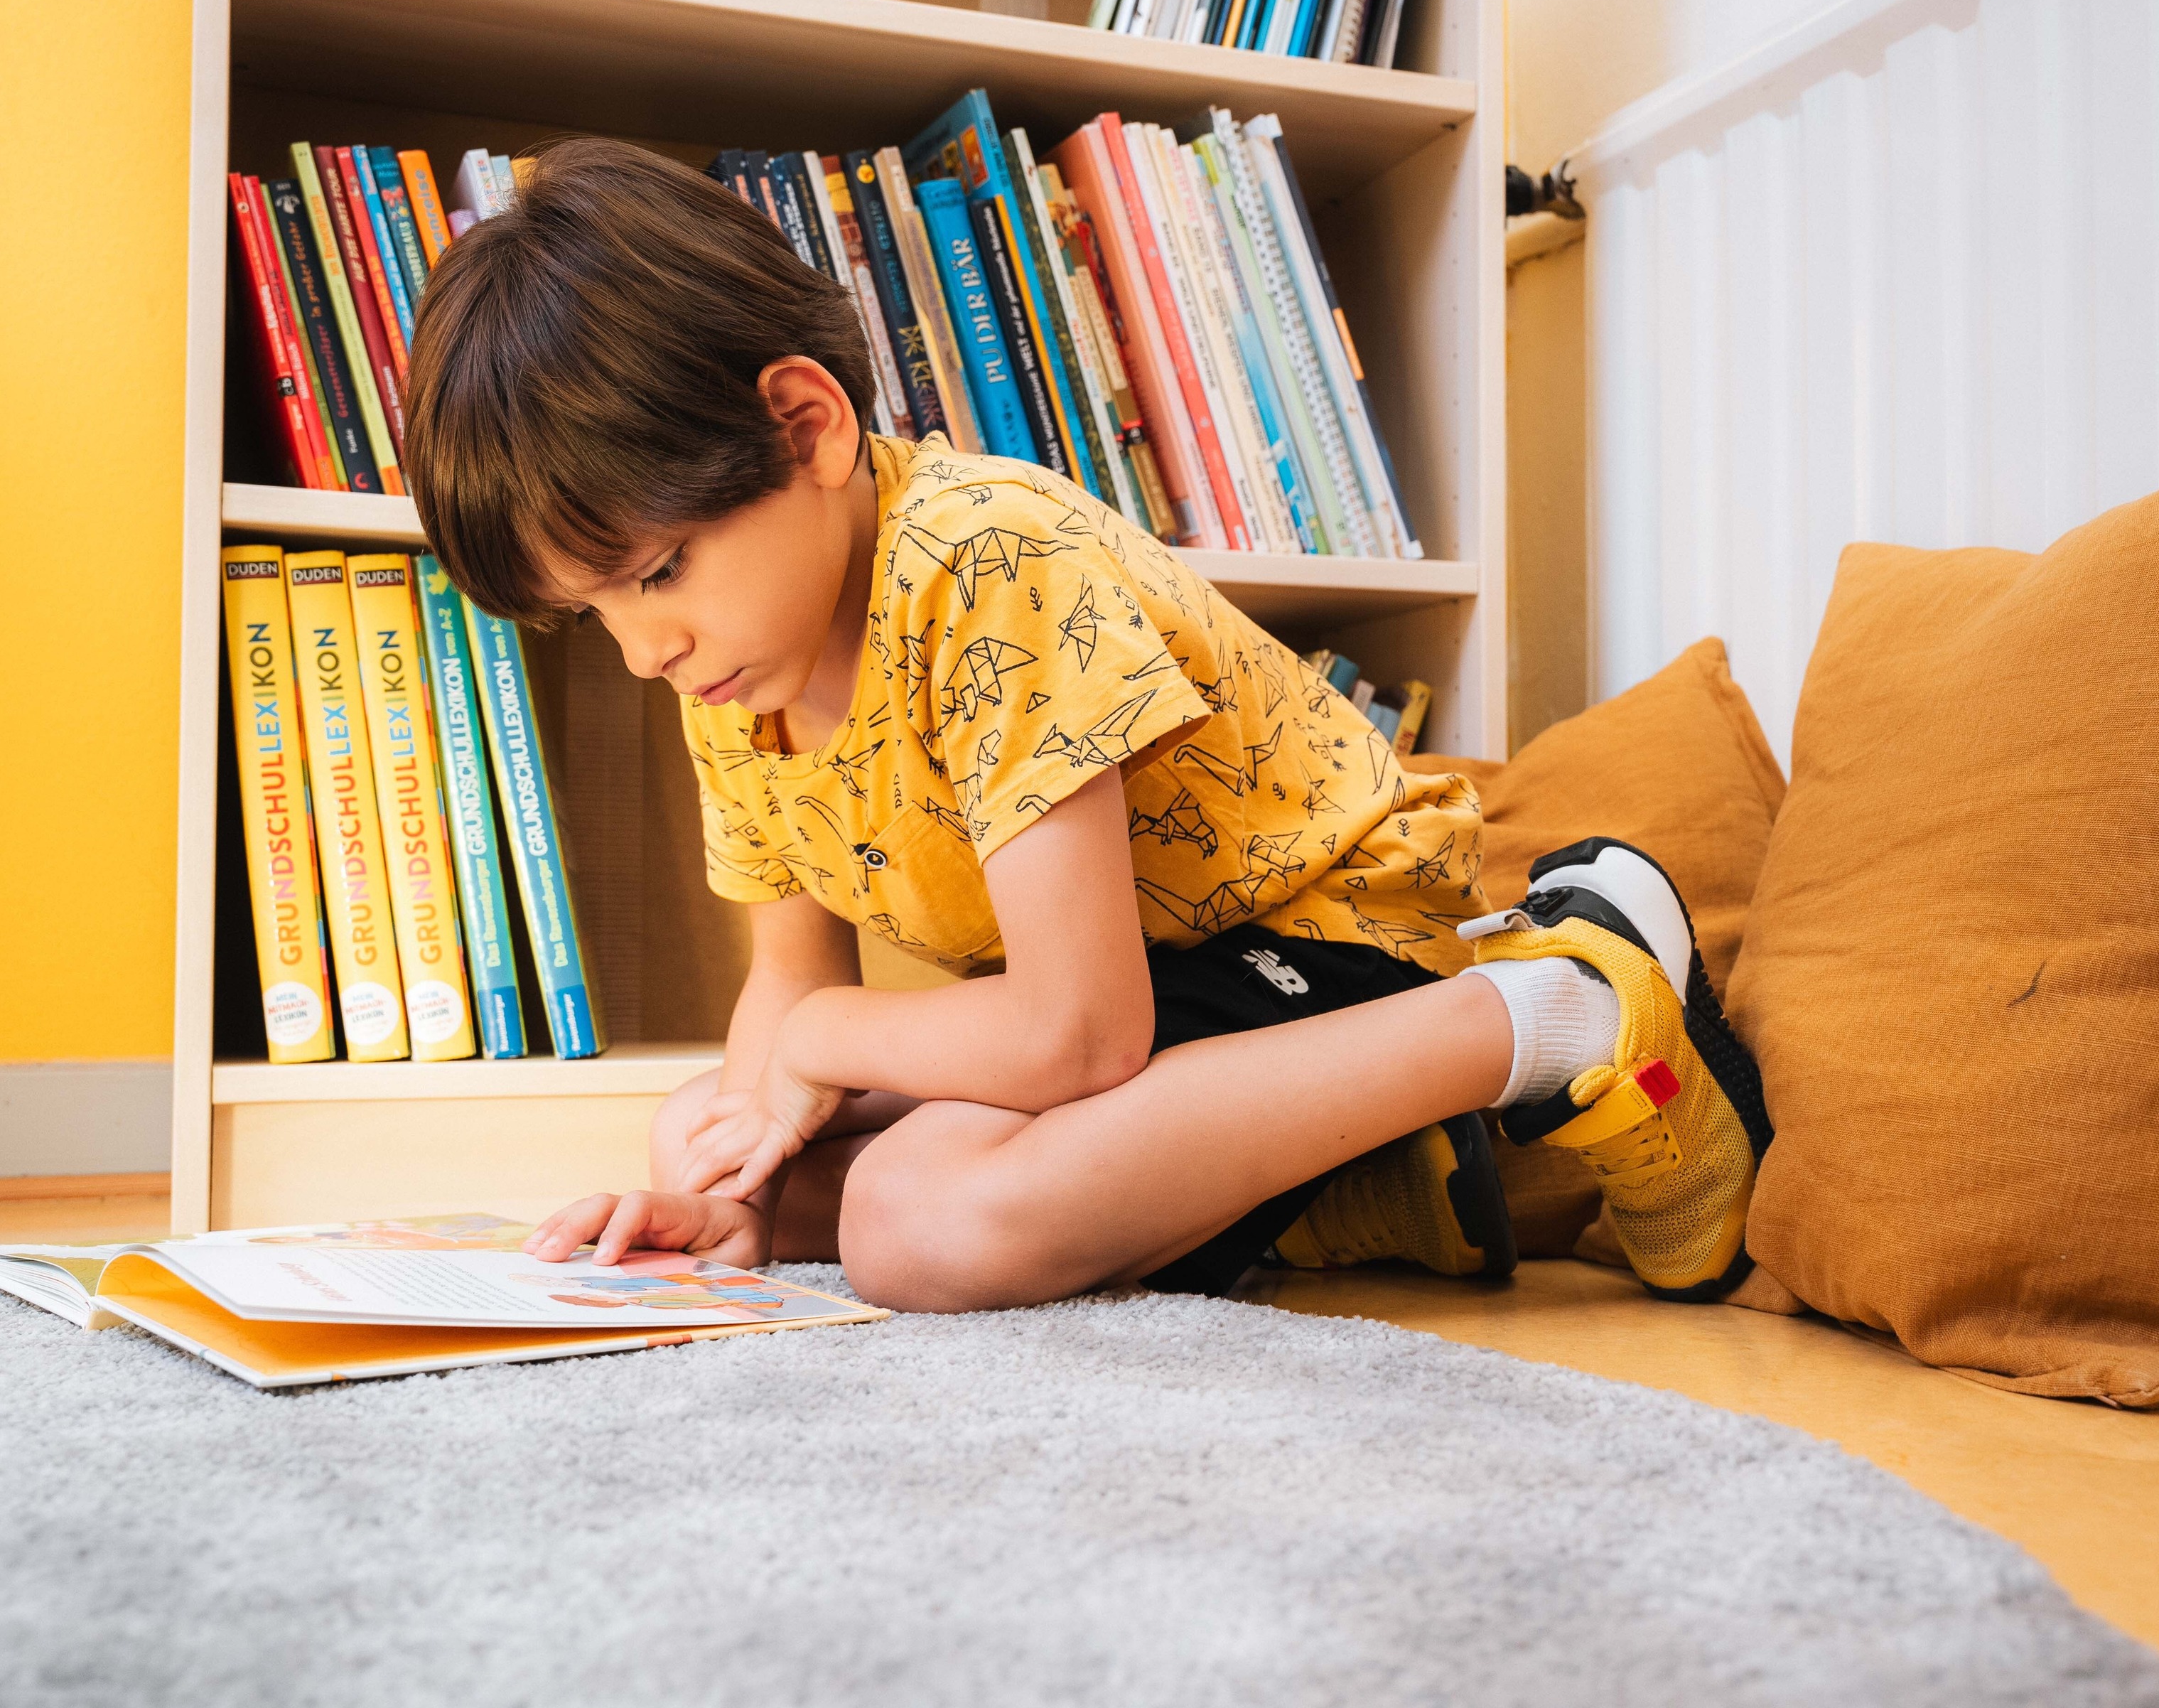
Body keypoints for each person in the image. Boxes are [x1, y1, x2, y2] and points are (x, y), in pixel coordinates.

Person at [401, 138, 1770, 1314]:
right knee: (706, 1125)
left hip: (1320, 938)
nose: (646, 650)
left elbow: (1073, 1038)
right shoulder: (733, 665)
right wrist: (733, 1193)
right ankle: (1351, 1174)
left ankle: (1553, 1009)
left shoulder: (983, 561)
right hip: (1170, 998)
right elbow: (790, 980)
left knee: (912, 1224)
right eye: (594, 612)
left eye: (654, 574)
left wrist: (817, 1045)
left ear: (805, 424)